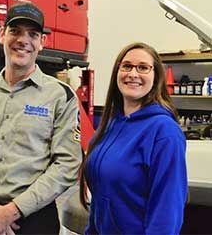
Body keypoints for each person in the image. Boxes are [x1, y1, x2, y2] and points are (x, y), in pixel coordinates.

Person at [0, 2, 82, 235]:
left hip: (34, 220)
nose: (23, 40)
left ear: (42, 42)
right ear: (2, 34)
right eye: (15, 31)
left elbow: (67, 165)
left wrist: (11, 212)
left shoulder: (60, 96)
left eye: (32, 34)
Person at [80, 42, 187, 234]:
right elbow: (101, 198)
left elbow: (167, 212)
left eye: (143, 68)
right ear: (117, 72)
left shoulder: (164, 132)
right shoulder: (110, 125)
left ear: (156, 77)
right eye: (127, 66)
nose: (133, 74)